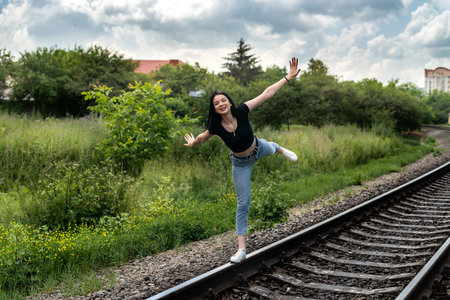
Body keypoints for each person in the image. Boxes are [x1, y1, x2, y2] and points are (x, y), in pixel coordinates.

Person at [184, 57, 301, 263]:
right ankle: (241, 249)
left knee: (271, 147)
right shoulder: (216, 126)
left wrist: (287, 78)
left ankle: (280, 149)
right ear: (215, 108)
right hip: (241, 164)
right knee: (243, 203)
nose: (221, 104)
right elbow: (203, 137)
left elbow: (267, 93)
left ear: (229, 101)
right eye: (216, 103)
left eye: (223, 100)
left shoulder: (242, 111)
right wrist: (194, 143)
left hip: (258, 147)